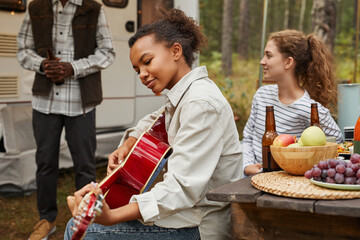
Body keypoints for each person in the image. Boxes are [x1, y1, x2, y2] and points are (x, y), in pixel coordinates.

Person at [64, 8, 242, 240]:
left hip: (200, 224)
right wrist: (129, 143)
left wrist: (112, 216)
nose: (142, 74)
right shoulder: (185, 95)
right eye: (137, 70)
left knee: (82, 230)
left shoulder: (200, 102)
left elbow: (180, 189)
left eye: (147, 62)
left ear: (176, 51)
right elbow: (154, 119)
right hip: (185, 215)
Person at [16, 0, 115, 238]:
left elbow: (107, 52)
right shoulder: (36, 7)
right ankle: (47, 220)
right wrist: (42, 64)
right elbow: (23, 50)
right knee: (45, 163)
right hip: (45, 102)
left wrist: (74, 68)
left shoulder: (94, 8)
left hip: (81, 102)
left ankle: (86, 222)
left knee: (85, 165)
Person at [242, 29, 343, 177]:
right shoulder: (261, 95)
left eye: (268, 55)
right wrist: (247, 165)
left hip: (286, 183)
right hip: (251, 178)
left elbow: (337, 141)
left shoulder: (309, 108)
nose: (262, 61)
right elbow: (248, 138)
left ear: (288, 62)